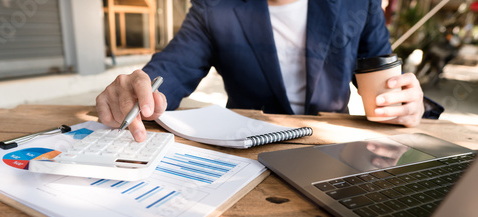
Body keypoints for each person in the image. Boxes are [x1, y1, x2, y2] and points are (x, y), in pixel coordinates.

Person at [96, 0, 442, 142]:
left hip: (335, 147)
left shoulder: (358, 2)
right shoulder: (214, 7)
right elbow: (174, 67)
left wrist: (406, 104)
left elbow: (384, 77)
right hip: (245, 148)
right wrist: (138, 89)